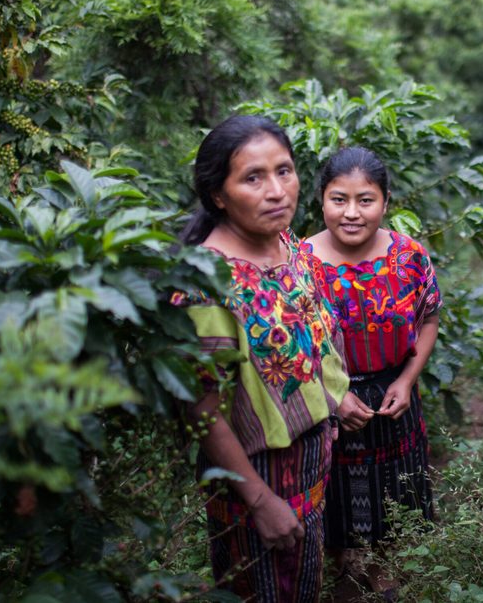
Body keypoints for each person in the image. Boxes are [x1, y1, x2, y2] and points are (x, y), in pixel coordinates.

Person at [170, 115, 349, 602]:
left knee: (303, 585)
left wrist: (336, 402)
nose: (276, 191)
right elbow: (200, 407)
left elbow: (314, 332)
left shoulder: (287, 244)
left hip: (312, 461)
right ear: (218, 195)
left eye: (284, 171)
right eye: (253, 178)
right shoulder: (206, 285)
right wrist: (259, 499)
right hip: (258, 478)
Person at [301, 147, 441, 590]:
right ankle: (341, 576)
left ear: (385, 201)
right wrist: (334, 397)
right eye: (338, 199)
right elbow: (290, 346)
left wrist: (406, 380)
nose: (351, 213)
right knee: (334, 498)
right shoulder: (298, 264)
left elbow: (429, 317)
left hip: (393, 400)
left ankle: (385, 577)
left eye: (365, 200)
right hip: (324, 407)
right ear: (321, 200)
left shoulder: (409, 256)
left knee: (395, 496)